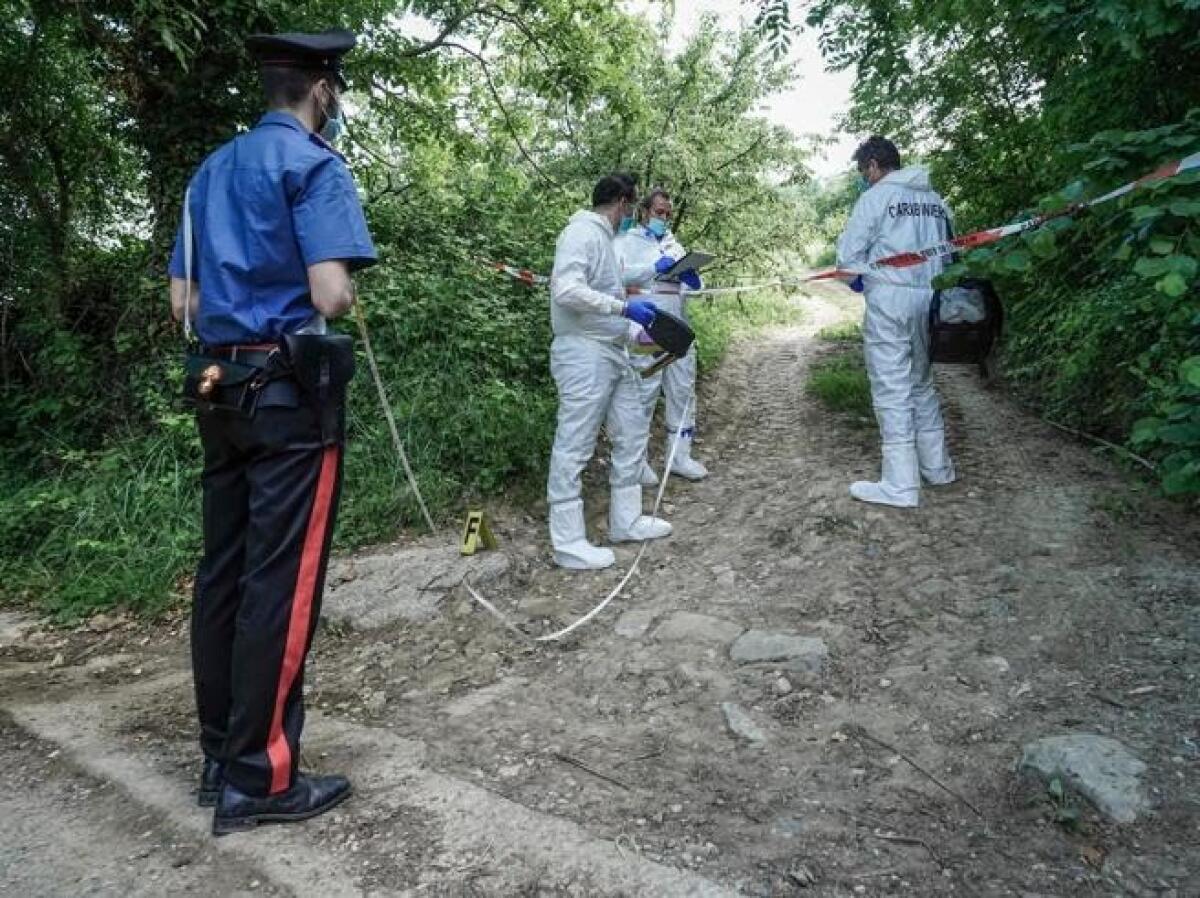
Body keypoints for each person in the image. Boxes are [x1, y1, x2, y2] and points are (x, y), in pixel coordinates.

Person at [167, 29, 377, 835]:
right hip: (289, 397)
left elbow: (179, 305)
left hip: (218, 390)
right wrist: (332, 282)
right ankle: (262, 777)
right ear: (321, 89)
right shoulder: (315, 165)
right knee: (279, 584)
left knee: (224, 569)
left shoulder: (209, 171)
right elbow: (330, 296)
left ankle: (220, 755)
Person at [547, 174, 672, 570]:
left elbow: (610, 285)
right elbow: (566, 290)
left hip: (612, 351)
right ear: (622, 202)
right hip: (583, 353)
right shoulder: (581, 233)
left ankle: (626, 519)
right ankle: (567, 542)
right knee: (575, 442)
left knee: (632, 430)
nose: (630, 217)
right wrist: (622, 308)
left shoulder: (602, 238)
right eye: (631, 208)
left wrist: (639, 293)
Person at [836, 135, 956, 508]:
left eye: (862, 170)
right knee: (921, 382)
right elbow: (950, 254)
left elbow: (847, 256)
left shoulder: (876, 198)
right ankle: (938, 468)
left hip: (889, 297)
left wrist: (859, 278)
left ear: (873, 165)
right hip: (930, 297)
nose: (862, 178)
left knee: (891, 387)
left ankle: (900, 485)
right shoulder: (936, 202)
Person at [614, 189, 709, 484]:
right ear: (644, 212)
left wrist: (693, 279)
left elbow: (695, 286)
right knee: (644, 393)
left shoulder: (672, 243)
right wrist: (651, 269)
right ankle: (637, 462)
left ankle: (679, 457)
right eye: (659, 212)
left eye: (668, 214)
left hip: (678, 326)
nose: (664, 218)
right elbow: (617, 276)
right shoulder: (626, 242)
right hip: (647, 327)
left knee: (683, 391)